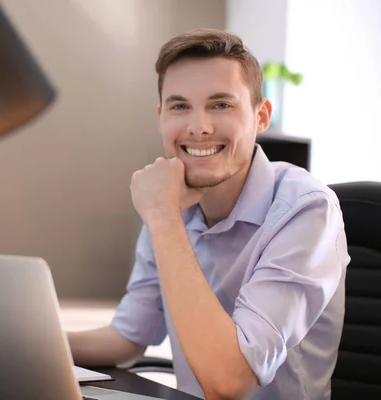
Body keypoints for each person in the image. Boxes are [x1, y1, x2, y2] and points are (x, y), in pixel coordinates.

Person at [67, 29, 350, 400]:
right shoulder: (169, 203)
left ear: (261, 116)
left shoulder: (306, 210)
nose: (199, 127)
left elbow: (228, 381)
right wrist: (22, 340)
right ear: (161, 117)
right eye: (180, 106)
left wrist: (163, 217)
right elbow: (126, 339)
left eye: (221, 105)